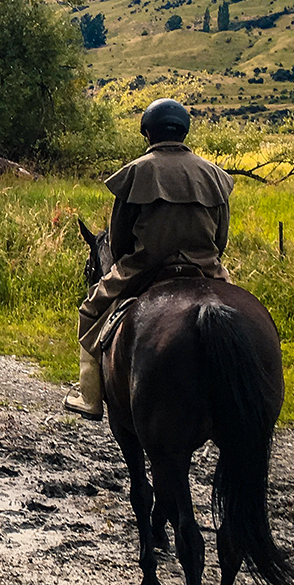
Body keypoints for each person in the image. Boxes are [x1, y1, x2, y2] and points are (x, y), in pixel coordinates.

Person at [65, 98, 234, 419]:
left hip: (142, 267)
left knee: (89, 311)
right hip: (206, 268)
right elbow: (221, 237)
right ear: (184, 131)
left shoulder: (136, 173)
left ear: (148, 133)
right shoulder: (213, 175)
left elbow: (119, 239)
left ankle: (88, 396)